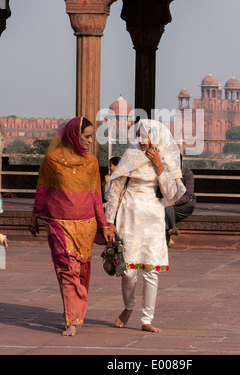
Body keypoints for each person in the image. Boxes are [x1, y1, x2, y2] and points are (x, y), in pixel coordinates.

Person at [28, 116, 116, 336]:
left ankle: (76, 311)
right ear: (73, 136)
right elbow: (43, 188)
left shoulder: (91, 162)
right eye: (85, 137)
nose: (89, 141)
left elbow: (96, 196)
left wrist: (104, 225)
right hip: (59, 223)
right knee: (67, 269)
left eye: (91, 137)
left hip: (85, 225)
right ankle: (72, 320)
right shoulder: (52, 159)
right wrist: (35, 216)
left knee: (81, 270)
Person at [105, 119, 185, 333]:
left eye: (145, 136)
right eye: (139, 135)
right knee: (128, 270)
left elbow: (170, 194)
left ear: (156, 138)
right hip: (129, 214)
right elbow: (115, 190)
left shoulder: (166, 158)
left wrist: (159, 166)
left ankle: (146, 319)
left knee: (151, 270)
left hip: (152, 215)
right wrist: (109, 222)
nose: (141, 141)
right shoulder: (130, 155)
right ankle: (129, 306)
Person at [165, 155, 196, 245]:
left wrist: (173, 203)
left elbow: (188, 196)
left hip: (186, 204)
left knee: (166, 209)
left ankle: (167, 237)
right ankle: (173, 228)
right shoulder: (167, 174)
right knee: (165, 209)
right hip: (170, 205)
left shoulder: (187, 173)